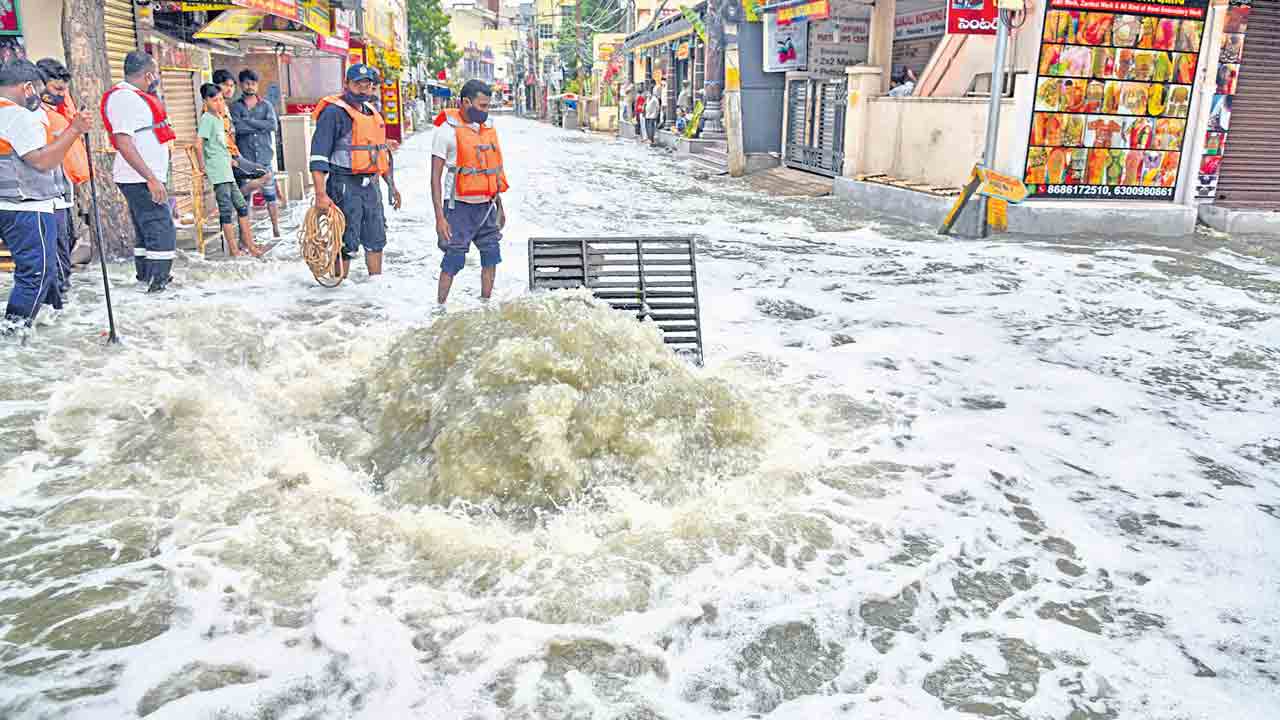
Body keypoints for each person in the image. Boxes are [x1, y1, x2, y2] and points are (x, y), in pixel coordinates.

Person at [0, 59, 91, 326]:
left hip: (10, 204)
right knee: (37, 274)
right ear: (28, 87)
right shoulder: (17, 116)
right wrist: (74, 130)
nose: (41, 99)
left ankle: (33, 324)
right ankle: (14, 334)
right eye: (39, 92)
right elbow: (42, 161)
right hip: (27, 205)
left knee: (35, 273)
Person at [310, 63, 401, 279]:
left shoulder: (371, 113)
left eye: (367, 85)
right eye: (357, 84)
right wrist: (321, 195)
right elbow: (318, 157)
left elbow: (380, 156)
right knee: (345, 243)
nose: (362, 89)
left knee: (376, 239)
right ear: (346, 85)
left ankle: (375, 292)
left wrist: (392, 187)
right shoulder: (333, 113)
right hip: (343, 185)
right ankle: (339, 294)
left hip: (371, 185)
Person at [101, 50, 176, 293]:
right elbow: (124, 142)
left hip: (145, 176)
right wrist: (151, 178)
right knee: (161, 227)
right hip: (140, 178)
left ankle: (147, 279)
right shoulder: (124, 98)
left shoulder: (135, 96)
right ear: (148, 74)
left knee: (148, 230)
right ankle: (158, 285)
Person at [431, 79, 507, 304]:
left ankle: (486, 304)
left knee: (491, 256)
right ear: (466, 102)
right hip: (458, 207)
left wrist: (500, 207)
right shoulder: (446, 132)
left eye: (488, 106)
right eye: (482, 106)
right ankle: (440, 308)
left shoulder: (487, 130)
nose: (486, 111)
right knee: (453, 260)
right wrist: (439, 218)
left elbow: (491, 172)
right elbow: (435, 178)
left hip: (487, 205)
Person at [35, 58, 89, 300]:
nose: (61, 95)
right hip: (45, 199)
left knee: (66, 249)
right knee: (56, 261)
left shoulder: (60, 114)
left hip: (64, 195)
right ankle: (55, 305)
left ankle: (60, 303)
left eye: (64, 90)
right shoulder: (34, 117)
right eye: (57, 89)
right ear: (39, 85)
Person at [197, 83, 264, 258]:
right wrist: (202, 166)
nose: (218, 103)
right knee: (226, 212)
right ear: (205, 101)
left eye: (220, 99)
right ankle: (235, 251)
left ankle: (250, 246)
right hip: (218, 173)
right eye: (214, 100)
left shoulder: (219, 118)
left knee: (242, 207)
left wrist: (230, 160)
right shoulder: (207, 119)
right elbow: (199, 144)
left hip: (227, 169)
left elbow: (221, 145)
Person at [230, 69, 281, 238]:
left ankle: (276, 229)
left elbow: (273, 126)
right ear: (241, 85)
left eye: (253, 83)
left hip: (265, 158)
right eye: (246, 83)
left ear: (257, 85)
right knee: (245, 201)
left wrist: (250, 121)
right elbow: (238, 128)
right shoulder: (235, 107)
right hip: (244, 161)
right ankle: (246, 235)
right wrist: (260, 124)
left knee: (270, 196)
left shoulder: (266, 105)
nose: (250, 86)